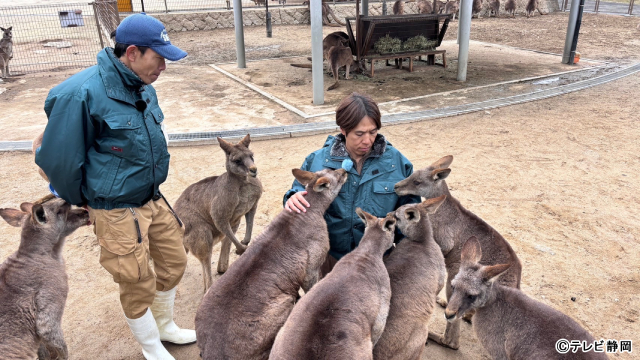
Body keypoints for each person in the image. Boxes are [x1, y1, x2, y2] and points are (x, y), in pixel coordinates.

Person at [35, 13, 194, 360]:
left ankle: (164, 326)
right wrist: (86, 201)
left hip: (152, 197)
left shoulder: (142, 86)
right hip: (115, 208)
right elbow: (58, 161)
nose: (164, 66)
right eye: (159, 57)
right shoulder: (80, 93)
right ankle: (151, 347)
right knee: (135, 280)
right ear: (133, 52)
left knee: (174, 262)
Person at [284, 92, 421, 274]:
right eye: (359, 134)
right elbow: (297, 195)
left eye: (373, 132)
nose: (367, 140)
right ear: (343, 129)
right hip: (330, 261)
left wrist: (408, 257)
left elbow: (410, 219)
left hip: (380, 263)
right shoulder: (316, 162)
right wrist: (292, 198)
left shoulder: (398, 164)